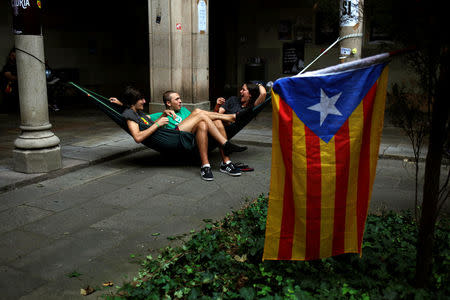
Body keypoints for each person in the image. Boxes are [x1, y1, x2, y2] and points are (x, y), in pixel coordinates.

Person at [110, 87, 247, 181]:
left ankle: (222, 162)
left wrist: (121, 104)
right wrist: (159, 123)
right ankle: (231, 120)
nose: (145, 101)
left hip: (186, 133)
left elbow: (134, 111)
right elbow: (137, 137)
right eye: (141, 99)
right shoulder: (131, 115)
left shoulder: (136, 112)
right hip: (173, 136)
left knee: (207, 120)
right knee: (199, 112)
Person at [0, 48, 19, 113]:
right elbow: (9, 76)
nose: (13, 58)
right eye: (12, 56)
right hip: (8, 87)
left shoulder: (17, 66)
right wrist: (19, 78)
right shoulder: (7, 66)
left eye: (15, 56)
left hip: (16, 88)